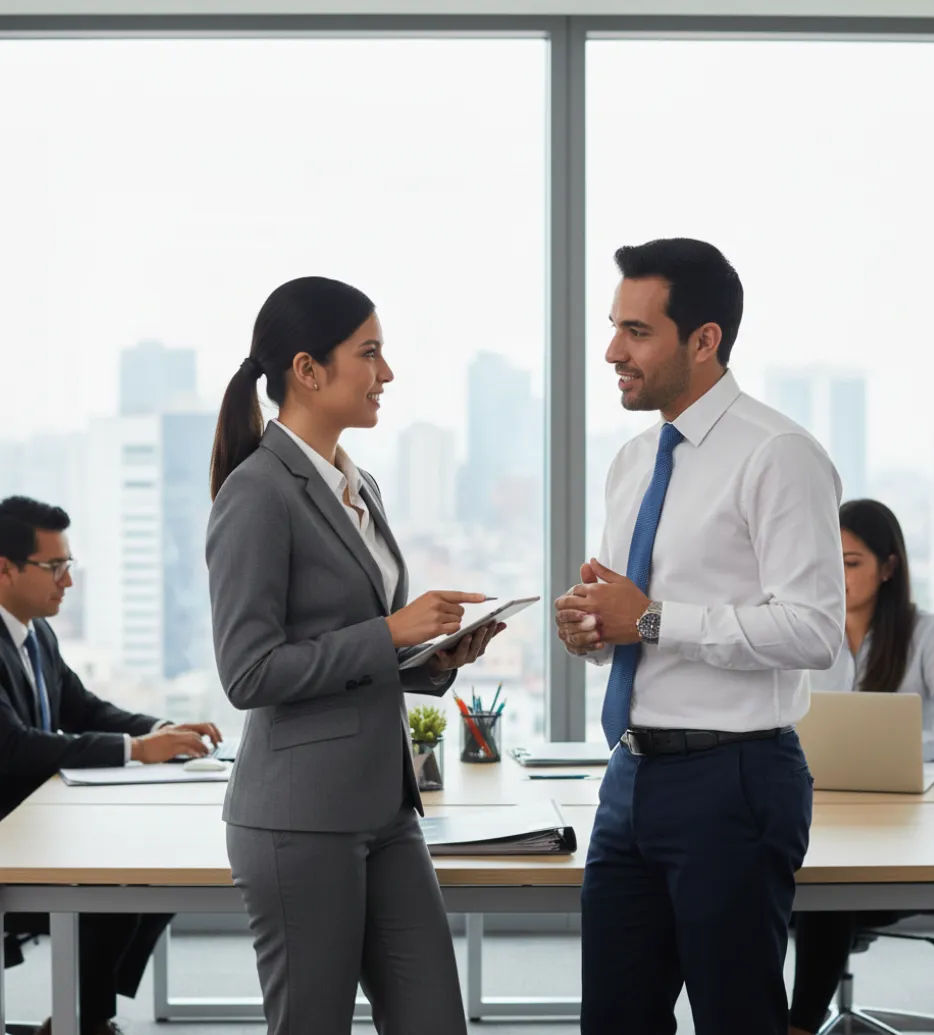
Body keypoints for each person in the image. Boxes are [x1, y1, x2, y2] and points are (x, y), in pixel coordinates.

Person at [553, 238, 846, 1035]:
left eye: (636, 331)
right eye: (614, 327)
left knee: (737, 1020)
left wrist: (648, 618)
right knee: (614, 1020)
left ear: (704, 339)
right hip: (631, 779)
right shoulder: (633, 460)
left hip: (735, 778)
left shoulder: (778, 455)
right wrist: (593, 628)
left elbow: (814, 628)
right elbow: (631, 619)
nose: (612, 350)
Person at [206, 276, 501, 1035]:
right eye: (369, 353)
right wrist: (392, 633)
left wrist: (436, 657)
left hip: (386, 809)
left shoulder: (355, 482)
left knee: (436, 1022)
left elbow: (363, 645)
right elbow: (248, 672)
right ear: (308, 369)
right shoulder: (257, 493)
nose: (387, 373)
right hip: (300, 819)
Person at [0, 494, 223, 1035]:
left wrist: (158, 730)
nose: (67, 582)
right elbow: (14, 747)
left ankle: (82, 1015)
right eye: (54, 567)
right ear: (4, 570)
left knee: (154, 863)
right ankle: (84, 1018)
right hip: (10, 830)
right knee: (121, 876)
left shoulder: (36, 634)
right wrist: (136, 751)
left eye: (68, 566)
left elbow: (83, 709)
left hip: (38, 818)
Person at [789, 498, 934, 1035]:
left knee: (828, 889)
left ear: (889, 566)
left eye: (851, 563)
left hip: (902, 836)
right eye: (830, 562)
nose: (839, 577)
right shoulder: (804, 638)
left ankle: (799, 1025)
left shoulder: (924, 636)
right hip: (815, 815)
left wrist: (905, 746)